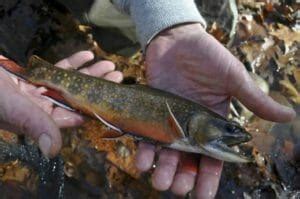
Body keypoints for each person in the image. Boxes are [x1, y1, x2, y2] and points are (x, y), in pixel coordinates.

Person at [0, 1, 296, 199]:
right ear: (193, 125)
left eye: (230, 130)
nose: (233, 136)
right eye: (228, 130)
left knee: (120, 29)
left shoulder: (192, 126)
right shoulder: (184, 128)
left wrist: (171, 22)